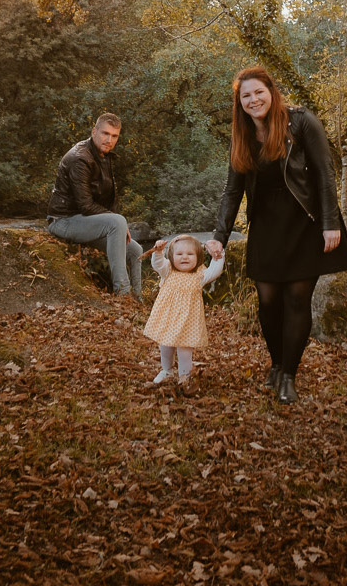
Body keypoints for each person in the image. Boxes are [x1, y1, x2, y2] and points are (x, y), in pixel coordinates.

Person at [213, 67, 347, 404]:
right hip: (266, 226)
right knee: (268, 302)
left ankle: (288, 373)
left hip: (305, 221)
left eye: (258, 92)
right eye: (245, 96)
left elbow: (324, 173)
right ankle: (276, 363)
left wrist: (330, 222)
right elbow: (233, 192)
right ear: (239, 102)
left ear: (271, 92)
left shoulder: (301, 122)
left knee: (296, 300)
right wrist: (219, 234)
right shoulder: (243, 134)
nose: (253, 100)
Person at [47, 113, 143, 299]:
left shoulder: (103, 155)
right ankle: (123, 295)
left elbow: (109, 198)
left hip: (84, 222)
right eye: (105, 133)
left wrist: (120, 225)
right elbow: (85, 205)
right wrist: (117, 221)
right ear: (94, 131)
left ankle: (138, 300)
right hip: (63, 221)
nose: (109, 140)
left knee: (136, 251)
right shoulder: (80, 158)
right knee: (117, 222)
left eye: (114, 136)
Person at [143, 234, 226, 385]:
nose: (184, 257)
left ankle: (184, 376)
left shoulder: (200, 275)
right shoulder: (168, 270)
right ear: (172, 256)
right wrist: (158, 251)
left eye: (190, 254)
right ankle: (166, 370)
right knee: (165, 345)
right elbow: (158, 264)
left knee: (185, 349)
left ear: (198, 257)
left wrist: (218, 256)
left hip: (188, 321)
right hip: (168, 317)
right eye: (179, 254)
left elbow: (215, 271)